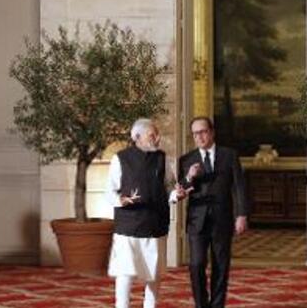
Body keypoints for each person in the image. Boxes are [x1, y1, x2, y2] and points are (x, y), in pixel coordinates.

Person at [176, 116, 248, 308]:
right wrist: (189, 177)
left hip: (222, 219)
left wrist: (241, 214)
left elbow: (239, 186)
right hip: (197, 221)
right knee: (196, 264)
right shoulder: (186, 159)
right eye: (195, 134)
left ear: (212, 132)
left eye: (203, 132)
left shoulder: (229, 155)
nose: (199, 137)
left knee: (221, 266)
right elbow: (180, 191)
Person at [104, 118, 172, 308]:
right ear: (137, 137)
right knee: (125, 273)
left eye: (157, 134)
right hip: (128, 226)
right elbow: (109, 191)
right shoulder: (121, 158)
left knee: (153, 274)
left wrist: (177, 194)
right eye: (152, 135)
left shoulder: (162, 158)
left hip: (155, 224)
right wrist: (121, 200)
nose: (157, 138)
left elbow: (169, 187)